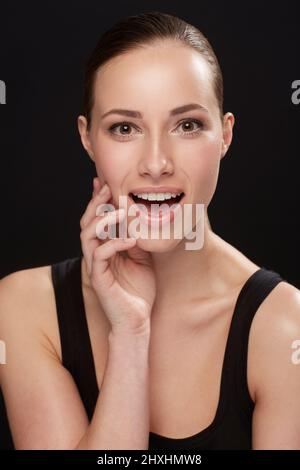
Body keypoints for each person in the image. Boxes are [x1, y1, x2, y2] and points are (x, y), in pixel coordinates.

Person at [0, 11, 300, 451]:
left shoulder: (286, 328)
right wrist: (129, 333)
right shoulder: (21, 309)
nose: (156, 164)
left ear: (225, 135)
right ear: (87, 139)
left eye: (187, 125)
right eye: (124, 128)